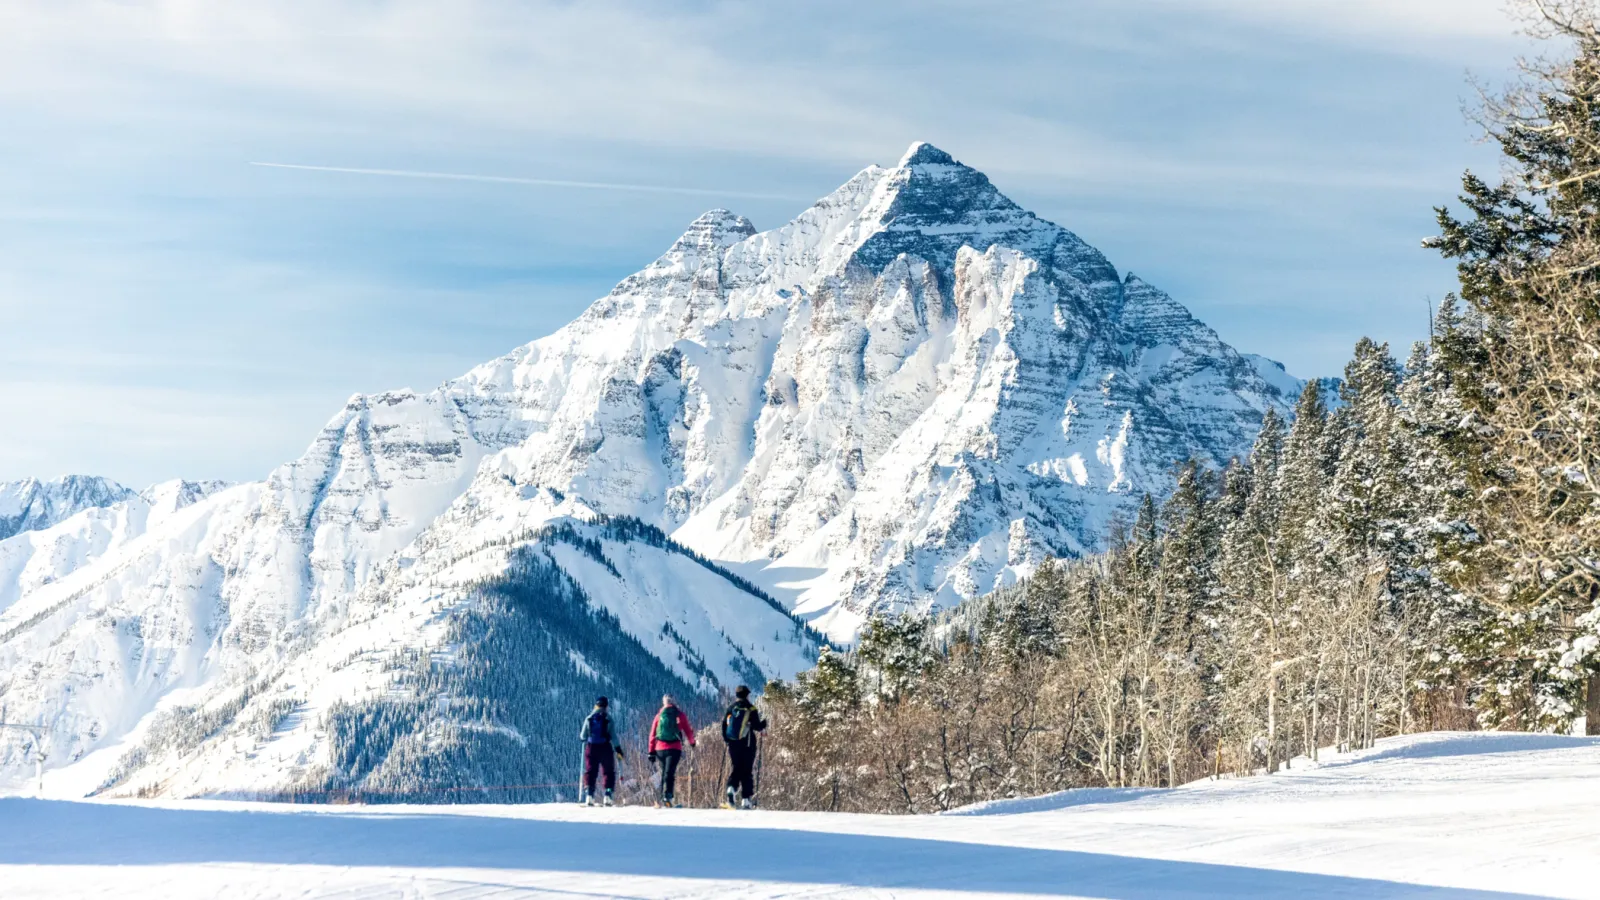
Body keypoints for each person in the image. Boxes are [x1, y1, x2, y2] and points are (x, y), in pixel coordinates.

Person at [720, 685, 767, 809]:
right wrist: (763, 724)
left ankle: (731, 789)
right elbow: (757, 726)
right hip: (747, 744)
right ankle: (746, 800)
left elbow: (724, 725)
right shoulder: (751, 709)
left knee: (736, 768)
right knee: (746, 771)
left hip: (733, 744)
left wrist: (727, 740)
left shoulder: (731, 708)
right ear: (747, 695)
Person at [646, 693, 696, 806]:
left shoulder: (659, 716)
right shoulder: (679, 715)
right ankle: (667, 797)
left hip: (660, 749)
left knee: (664, 772)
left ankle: (663, 798)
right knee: (670, 772)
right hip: (675, 748)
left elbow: (652, 734)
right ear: (673, 702)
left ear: (664, 702)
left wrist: (651, 751)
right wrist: (692, 742)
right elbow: (688, 730)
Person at [578, 696, 624, 806]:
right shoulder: (608, 718)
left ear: (596, 705)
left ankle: (589, 795)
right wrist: (618, 749)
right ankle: (608, 795)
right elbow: (613, 736)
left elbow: (582, 736)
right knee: (608, 771)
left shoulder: (589, 718)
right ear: (606, 706)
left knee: (591, 771)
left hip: (591, 748)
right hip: (605, 748)